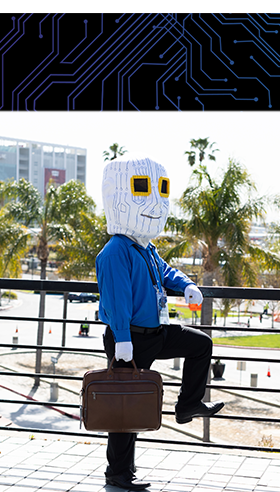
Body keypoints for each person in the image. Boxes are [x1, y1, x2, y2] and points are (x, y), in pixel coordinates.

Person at [95, 154, 225, 491]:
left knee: (201, 345)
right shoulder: (115, 251)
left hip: (156, 333)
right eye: (142, 188)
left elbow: (165, 272)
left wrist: (186, 285)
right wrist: (122, 338)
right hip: (129, 338)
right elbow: (116, 300)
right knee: (126, 406)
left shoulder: (145, 248)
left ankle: (188, 405)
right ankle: (119, 475)